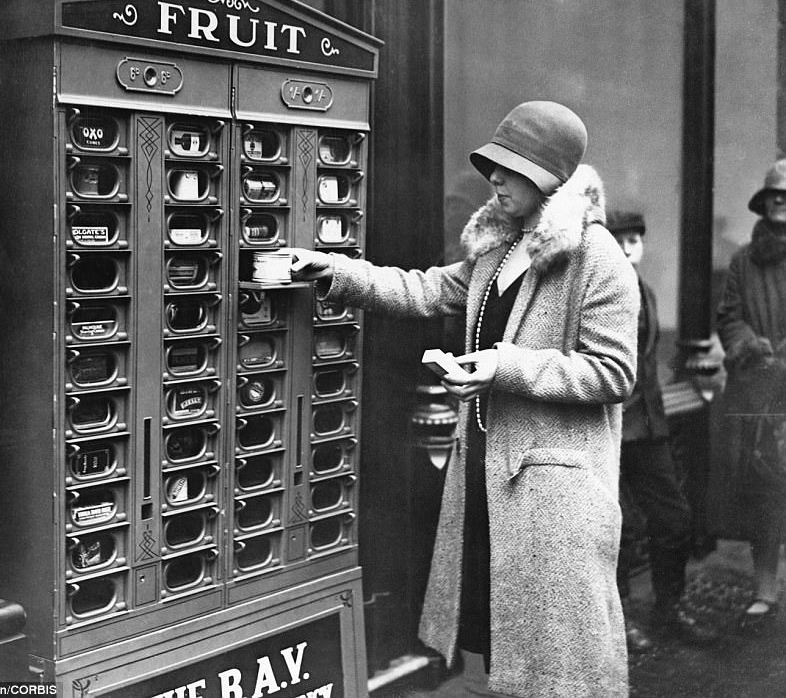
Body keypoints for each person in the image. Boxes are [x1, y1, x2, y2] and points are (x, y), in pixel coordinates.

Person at [291, 101, 638, 697]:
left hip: (555, 495)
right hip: (487, 474)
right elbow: (425, 289)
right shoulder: (500, 248)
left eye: (507, 168)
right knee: (492, 642)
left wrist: (503, 368)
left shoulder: (596, 256)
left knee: (559, 666)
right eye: (491, 167)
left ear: (547, 175)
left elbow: (613, 373)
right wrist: (334, 272)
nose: (493, 180)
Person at [605, 210, 717, 650]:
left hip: (649, 427)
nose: (630, 246)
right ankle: (618, 622)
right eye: (620, 238)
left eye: (636, 238)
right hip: (611, 427)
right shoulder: (600, 292)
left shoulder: (645, 291)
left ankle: (669, 608)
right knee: (614, 529)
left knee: (674, 518)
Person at [716, 158, 786, 632]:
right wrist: (747, 343)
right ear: (763, 205)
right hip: (760, 391)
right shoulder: (744, 260)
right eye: (774, 197)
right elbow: (728, 315)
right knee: (766, 491)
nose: (780, 203)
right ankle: (765, 587)